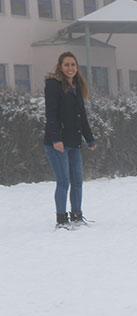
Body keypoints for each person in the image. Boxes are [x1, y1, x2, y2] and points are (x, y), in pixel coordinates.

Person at [43, 52, 96, 230]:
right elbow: (51, 114)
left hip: (74, 142)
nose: (70, 68)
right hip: (57, 143)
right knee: (64, 181)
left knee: (78, 181)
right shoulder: (53, 85)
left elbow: (81, 116)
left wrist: (90, 139)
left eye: (73, 65)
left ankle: (77, 215)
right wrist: (56, 139)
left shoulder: (77, 86)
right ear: (60, 66)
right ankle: (61, 219)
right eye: (66, 65)